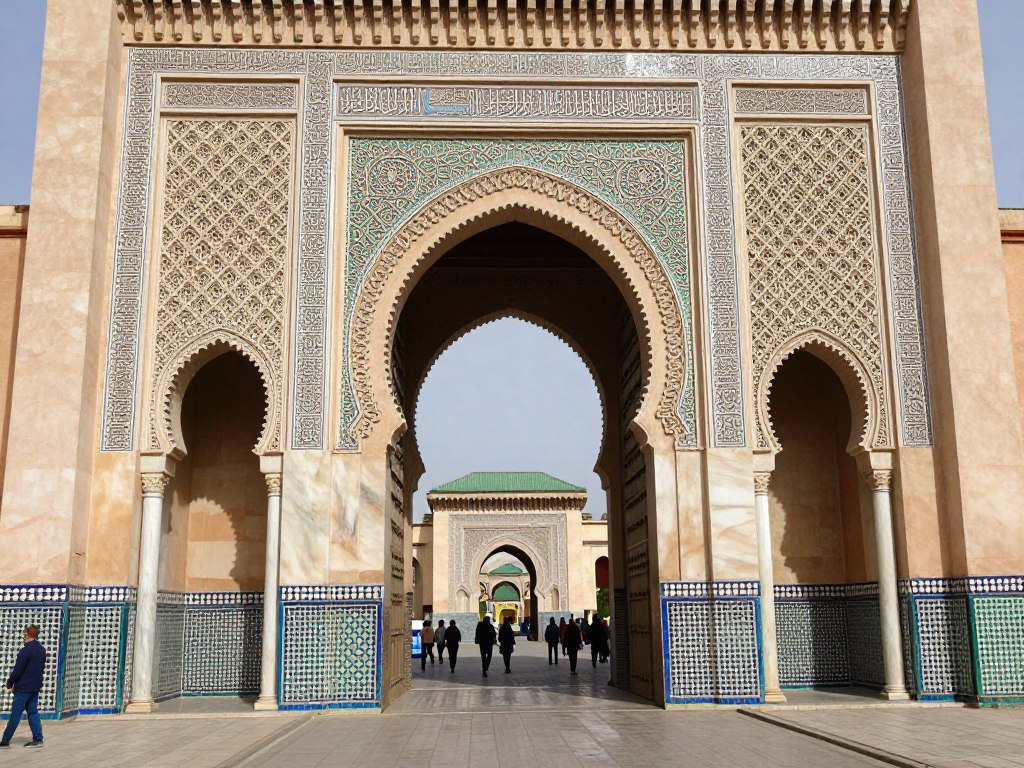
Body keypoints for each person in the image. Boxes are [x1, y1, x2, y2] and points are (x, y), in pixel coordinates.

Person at [1, 624, 46, 748]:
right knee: (33, 712)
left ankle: (5, 741)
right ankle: (38, 739)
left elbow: (18, 670)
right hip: (35, 687)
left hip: (23, 688)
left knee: (15, 714)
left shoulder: (25, 651)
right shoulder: (41, 649)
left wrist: (10, 682)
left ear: (27, 633)